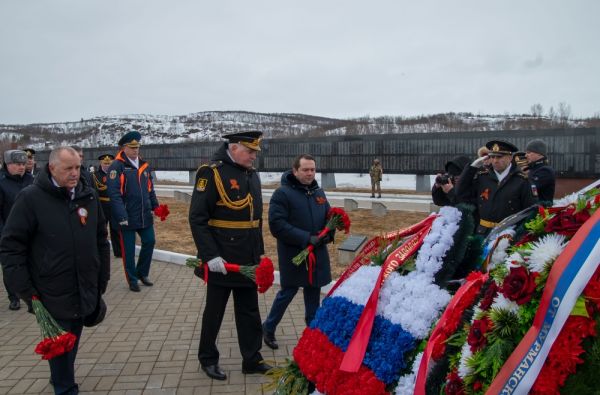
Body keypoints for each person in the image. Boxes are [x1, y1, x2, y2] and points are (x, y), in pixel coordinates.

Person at [0, 146, 110, 395]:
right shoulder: (31, 198)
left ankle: (61, 377)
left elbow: (101, 240)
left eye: (77, 167)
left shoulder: (88, 196)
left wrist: (101, 278)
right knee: (60, 346)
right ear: (51, 168)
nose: (74, 173)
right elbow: (11, 247)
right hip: (50, 291)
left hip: (84, 285)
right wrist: (26, 291)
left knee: (72, 342)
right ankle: (65, 386)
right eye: (68, 168)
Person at [188, 131, 272, 381]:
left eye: (256, 151)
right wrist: (210, 255)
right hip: (222, 260)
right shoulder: (211, 173)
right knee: (214, 312)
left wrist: (259, 254)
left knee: (249, 311)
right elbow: (197, 218)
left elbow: (253, 220)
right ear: (234, 148)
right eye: (250, 151)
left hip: (247, 257)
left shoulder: (251, 175)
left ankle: (252, 358)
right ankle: (208, 358)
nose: (254, 156)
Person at [262, 154, 334, 350]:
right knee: (288, 292)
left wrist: (329, 232)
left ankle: (312, 333)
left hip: (316, 253)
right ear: (295, 171)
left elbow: (329, 216)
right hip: (294, 254)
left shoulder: (319, 193)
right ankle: (268, 328)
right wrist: (305, 238)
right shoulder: (282, 194)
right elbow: (277, 225)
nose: (310, 173)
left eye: (312, 169)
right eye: (305, 170)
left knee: (314, 292)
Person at [107, 131, 159, 292]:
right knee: (128, 250)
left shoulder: (144, 165)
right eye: (132, 147)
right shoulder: (117, 166)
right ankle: (132, 279)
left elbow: (150, 189)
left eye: (137, 147)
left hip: (144, 214)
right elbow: (114, 193)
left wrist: (156, 206)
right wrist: (121, 215)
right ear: (124, 148)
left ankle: (142, 273)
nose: (135, 150)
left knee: (149, 241)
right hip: (127, 216)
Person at [456, 140, 537, 236]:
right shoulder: (483, 177)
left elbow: (530, 211)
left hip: (508, 234)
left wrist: (519, 235)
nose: (495, 160)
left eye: (499, 157)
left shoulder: (522, 181)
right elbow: (460, 192)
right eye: (492, 157)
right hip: (483, 233)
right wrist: (472, 167)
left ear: (510, 157)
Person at [0, 150, 33, 310]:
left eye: (23, 164)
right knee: (12, 265)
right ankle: (13, 296)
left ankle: (31, 294)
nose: (21, 167)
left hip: (30, 231)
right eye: (17, 164)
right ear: (8, 165)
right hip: (9, 233)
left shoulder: (31, 180)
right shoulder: (1, 182)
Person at [92, 154, 122, 257]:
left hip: (114, 205)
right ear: (101, 163)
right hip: (102, 205)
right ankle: (100, 251)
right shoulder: (95, 175)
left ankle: (118, 252)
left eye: (109, 163)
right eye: (105, 163)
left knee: (116, 230)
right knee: (101, 230)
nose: (107, 165)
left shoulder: (116, 174)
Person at [525, 139, 555, 204]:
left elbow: (527, 189)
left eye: (529, 152)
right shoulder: (533, 169)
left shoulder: (545, 171)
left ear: (539, 154)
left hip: (541, 211)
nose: (526, 155)